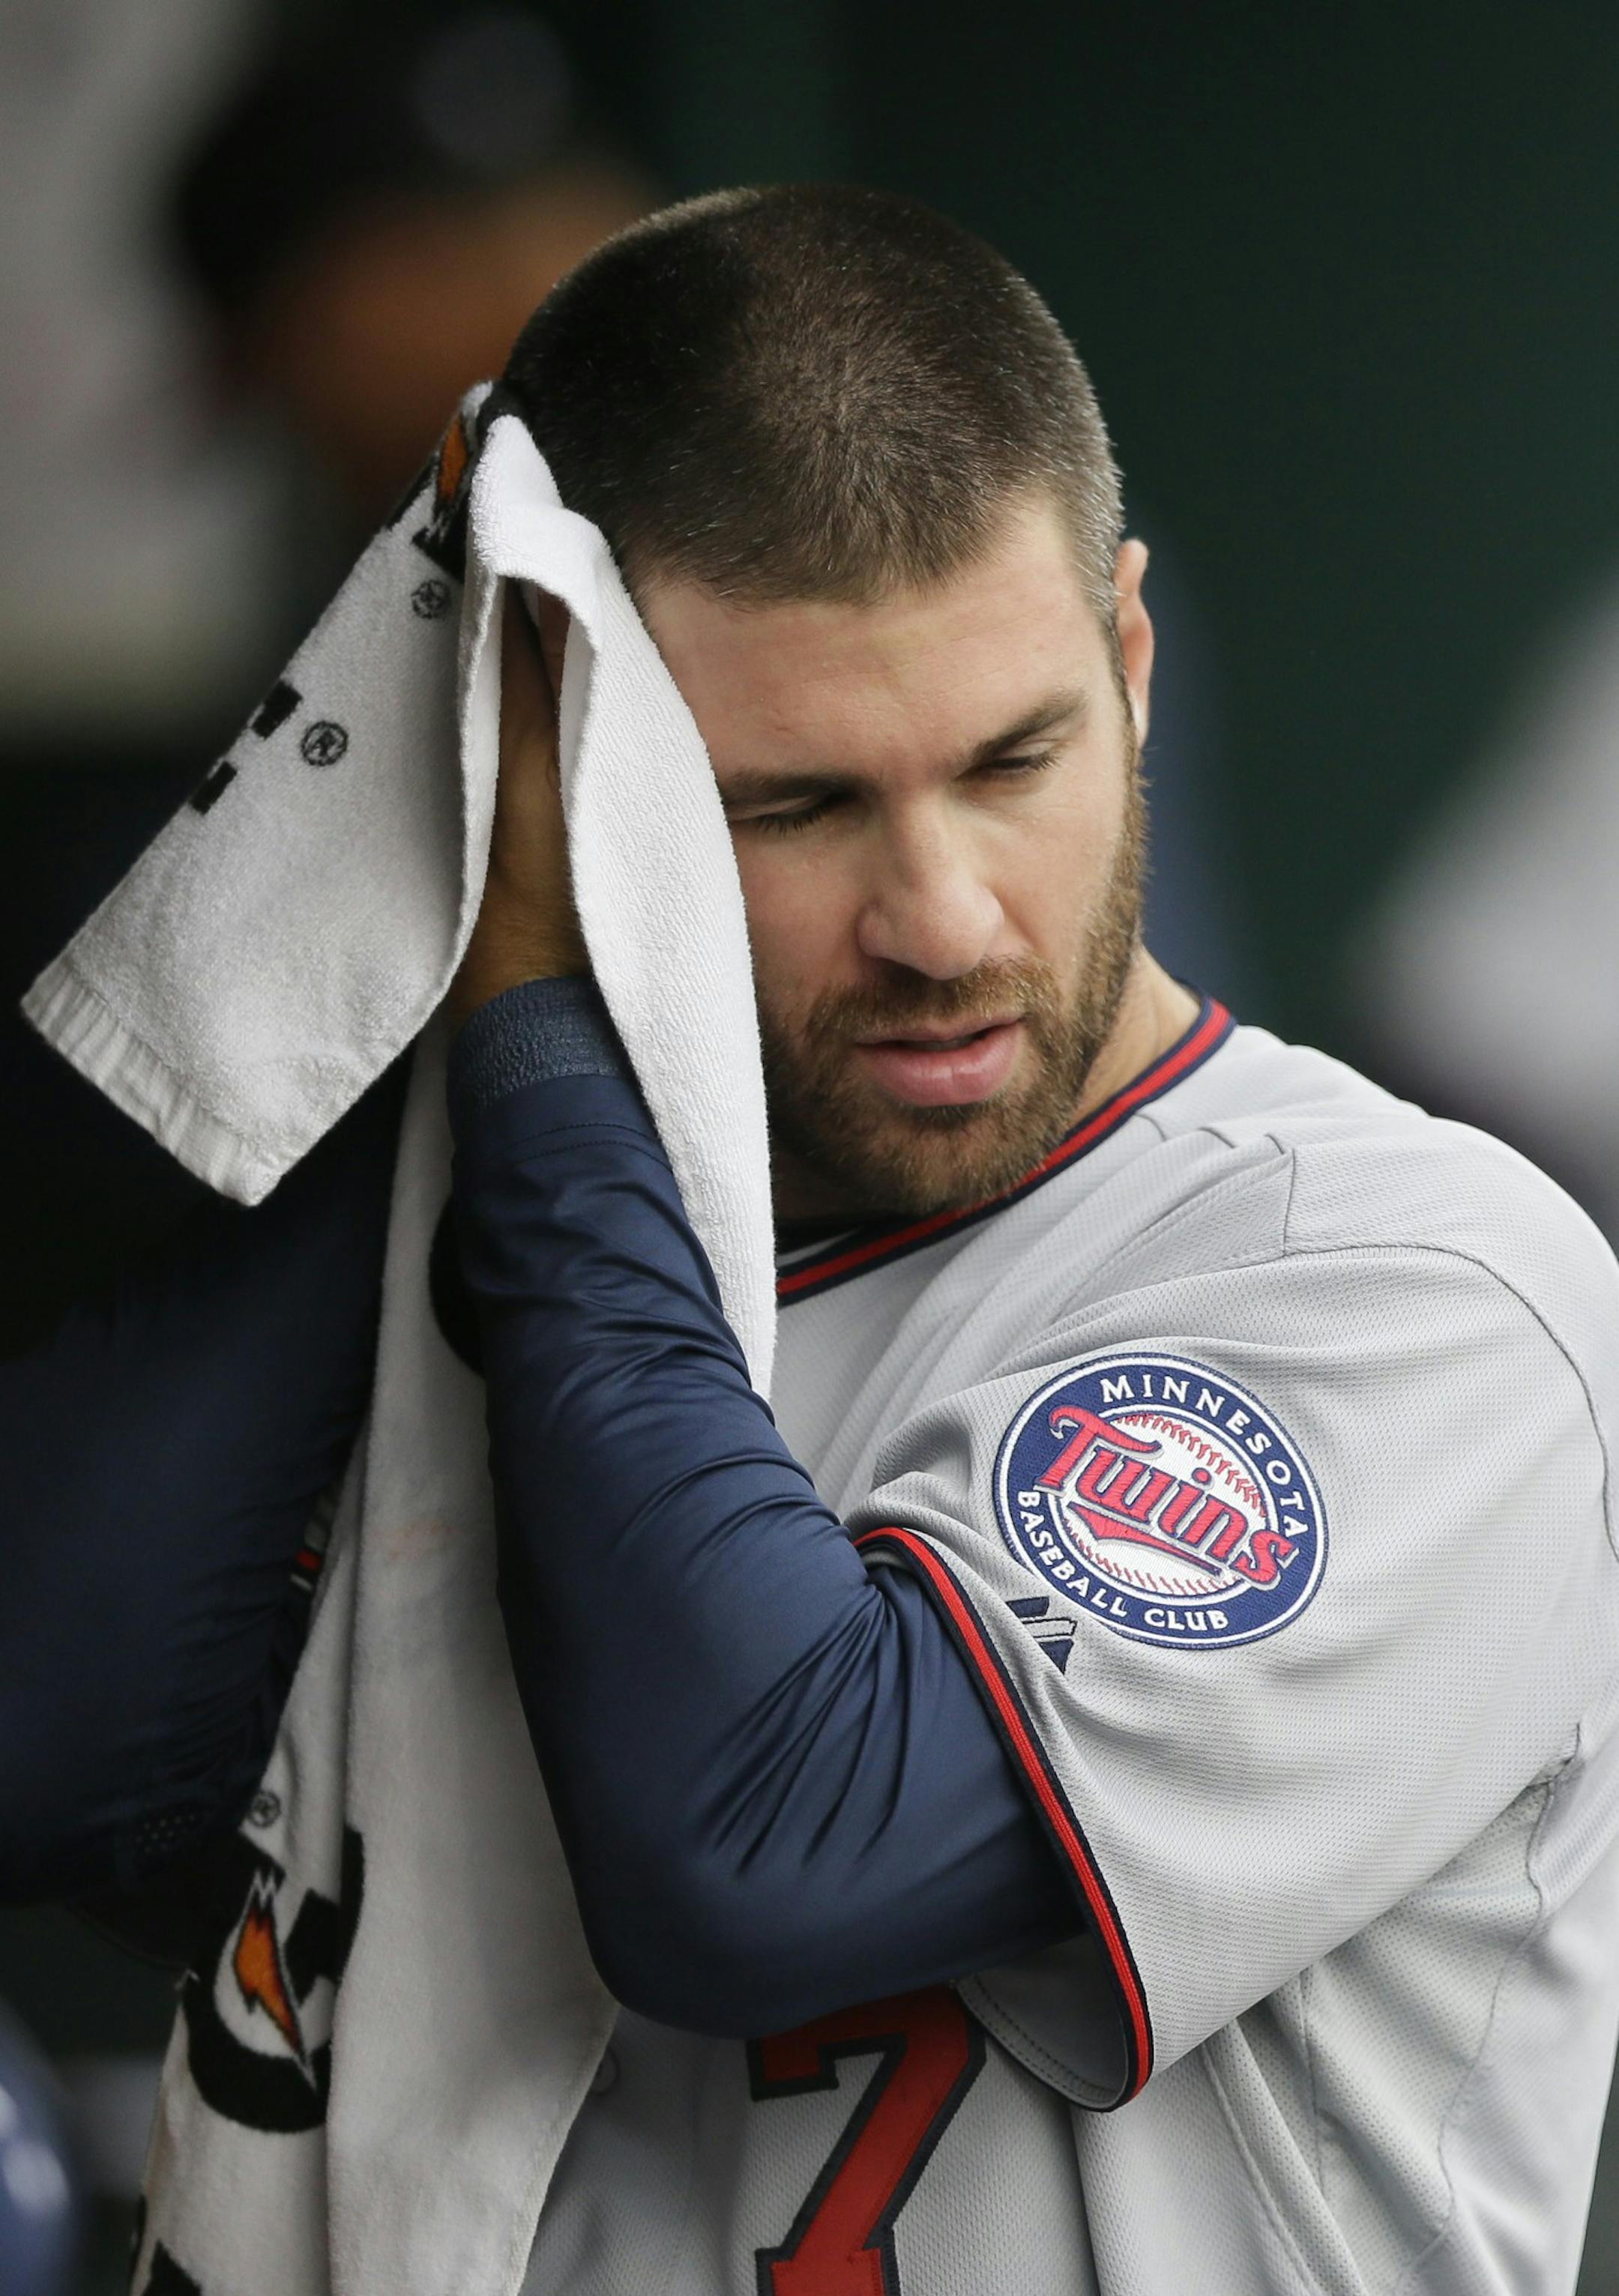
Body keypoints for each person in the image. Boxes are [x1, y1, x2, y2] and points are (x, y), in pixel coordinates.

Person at [5, 186, 1619, 2296]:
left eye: (1019, 757)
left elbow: (771, 1848)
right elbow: (66, 1745)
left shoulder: (1430, 1291)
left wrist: (537, 1061)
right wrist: (453, 927)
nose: (946, 921)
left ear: (1128, 666)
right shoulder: (511, 1237)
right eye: (796, 808)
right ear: (581, 792)